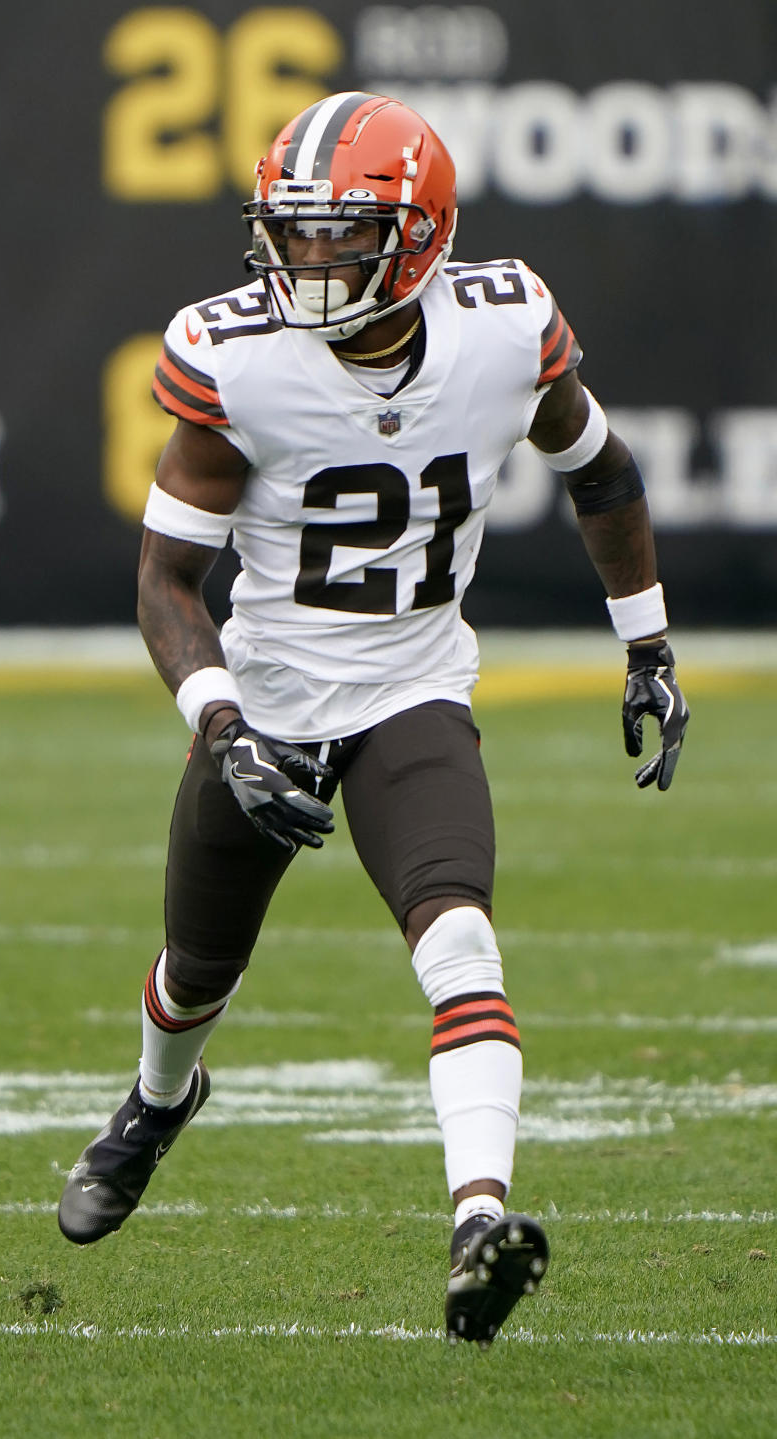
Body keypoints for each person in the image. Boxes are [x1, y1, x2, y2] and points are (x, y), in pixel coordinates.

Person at [58, 91, 689, 1348]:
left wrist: (649, 644)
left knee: (461, 944)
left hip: (414, 689)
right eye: (293, 232)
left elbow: (601, 470)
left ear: (415, 238)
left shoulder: (505, 328)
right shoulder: (236, 358)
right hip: (273, 700)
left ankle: (479, 1223)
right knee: (196, 972)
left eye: (339, 234)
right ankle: (154, 1101)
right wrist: (226, 725)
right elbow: (165, 583)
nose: (306, 259)